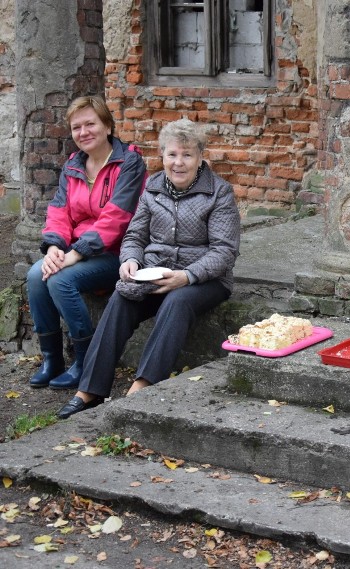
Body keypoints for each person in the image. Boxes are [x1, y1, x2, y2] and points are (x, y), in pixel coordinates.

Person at [57, 118, 240, 419]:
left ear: (200, 157)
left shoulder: (219, 192)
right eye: (172, 155)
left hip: (205, 278)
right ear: (162, 156)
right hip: (156, 271)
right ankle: (89, 389)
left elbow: (224, 251)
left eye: (187, 155)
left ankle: (143, 385)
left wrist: (187, 276)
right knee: (121, 298)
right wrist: (130, 260)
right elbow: (135, 236)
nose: (178, 163)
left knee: (177, 301)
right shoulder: (153, 187)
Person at [27, 95, 147, 390]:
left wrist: (75, 255)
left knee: (59, 281)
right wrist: (55, 246)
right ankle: (52, 359)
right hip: (79, 251)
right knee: (35, 276)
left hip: (119, 252)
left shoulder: (129, 162)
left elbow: (117, 219)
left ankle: (86, 362)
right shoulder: (73, 164)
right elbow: (59, 212)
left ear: (107, 125)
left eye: (90, 124)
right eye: (76, 127)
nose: (83, 132)